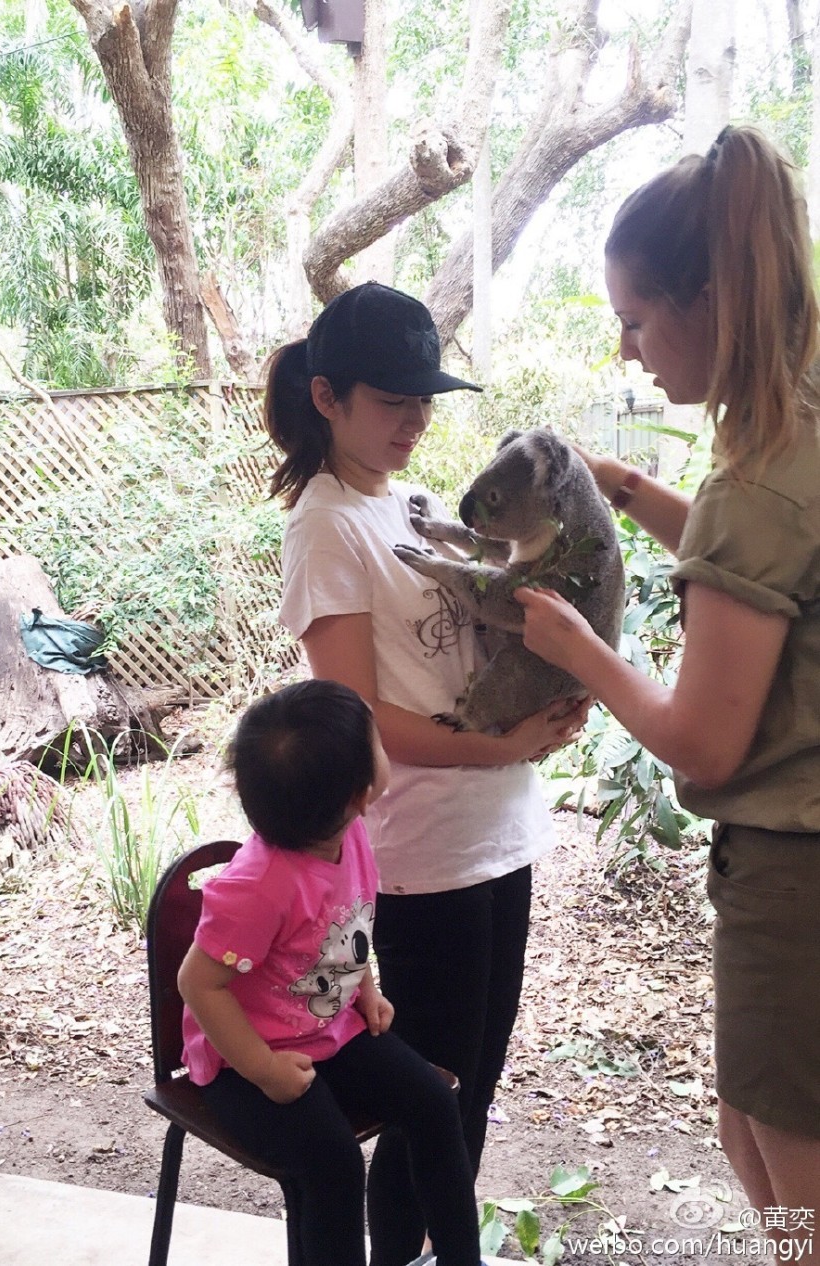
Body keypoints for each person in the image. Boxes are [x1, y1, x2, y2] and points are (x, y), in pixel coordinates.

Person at [514, 125, 820, 1236]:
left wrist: (577, 651)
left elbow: (701, 741)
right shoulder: (796, 415)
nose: (629, 352)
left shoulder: (759, 473)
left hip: (794, 871)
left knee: (793, 1168)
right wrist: (632, 489)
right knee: (747, 1124)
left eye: (635, 322)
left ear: (707, 301)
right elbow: (769, 576)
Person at [263, 281, 588, 1265]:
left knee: (469, 1093)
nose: (414, 420)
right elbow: (357, 720)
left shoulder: (407, 504)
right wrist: (504, 743)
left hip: (498, 828)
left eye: (424, 400)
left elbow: (481, 638)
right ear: (326, 397)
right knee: (431, 1102)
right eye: (391, 399)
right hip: (421, 854)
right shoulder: (324, 527)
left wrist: (551, 693)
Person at [177, 679, 486, 1266]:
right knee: (334, 1166)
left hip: (327, 1032)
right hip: (244, 1061)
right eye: (378, 742)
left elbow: (344, 923)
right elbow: (198, 983)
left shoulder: (348, 835)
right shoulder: (258, 885)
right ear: (359, 792)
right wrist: (265, 1070)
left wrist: (363, 985)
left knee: (435, 1104)